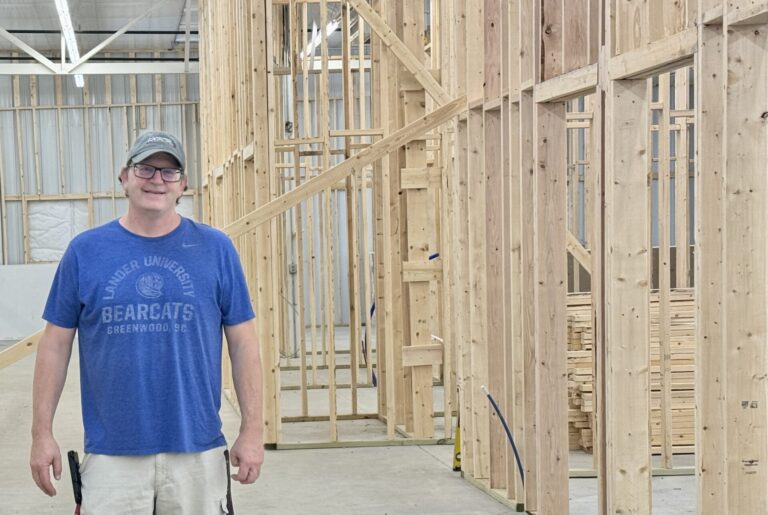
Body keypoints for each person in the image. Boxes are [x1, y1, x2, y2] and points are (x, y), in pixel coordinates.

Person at [29, 130, 264, 514]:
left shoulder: (216, 249)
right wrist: (41, 434)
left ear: (183, 185)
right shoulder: (85, 252)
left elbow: (244, 343)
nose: (157, 179)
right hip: (112, 455)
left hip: (197, 450)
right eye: (145, 168)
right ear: (124, 177)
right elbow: (54, 346)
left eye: (170, 172)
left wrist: (252, 431)